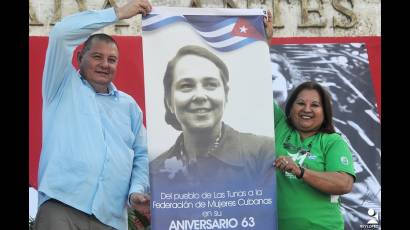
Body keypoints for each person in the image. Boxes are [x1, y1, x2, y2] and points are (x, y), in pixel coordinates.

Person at [34, 1, 152, 229]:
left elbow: (141, 156)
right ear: (79, 58)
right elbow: (60, 33)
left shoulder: (129, 106)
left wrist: (136, 191)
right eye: (97, 57)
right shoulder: (60, 85)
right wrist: (117, 13)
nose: (105, 64)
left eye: (112, 59)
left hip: (110, 218)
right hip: (62, 207)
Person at [149, 45, 275, 189]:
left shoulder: (262, 154)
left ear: (226, 95)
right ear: (169, 101)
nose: (200, 96)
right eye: (186, 86)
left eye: (210, 84)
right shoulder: (155, 171)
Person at [273, 81, 356, 230]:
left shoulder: (332, 141)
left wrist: (301, 171)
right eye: (300, 103)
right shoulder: (279, 124)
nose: (307, 109)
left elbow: (344, 183)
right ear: (291, 107)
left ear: (325, 112)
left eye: (315, 105)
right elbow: (256, 92)